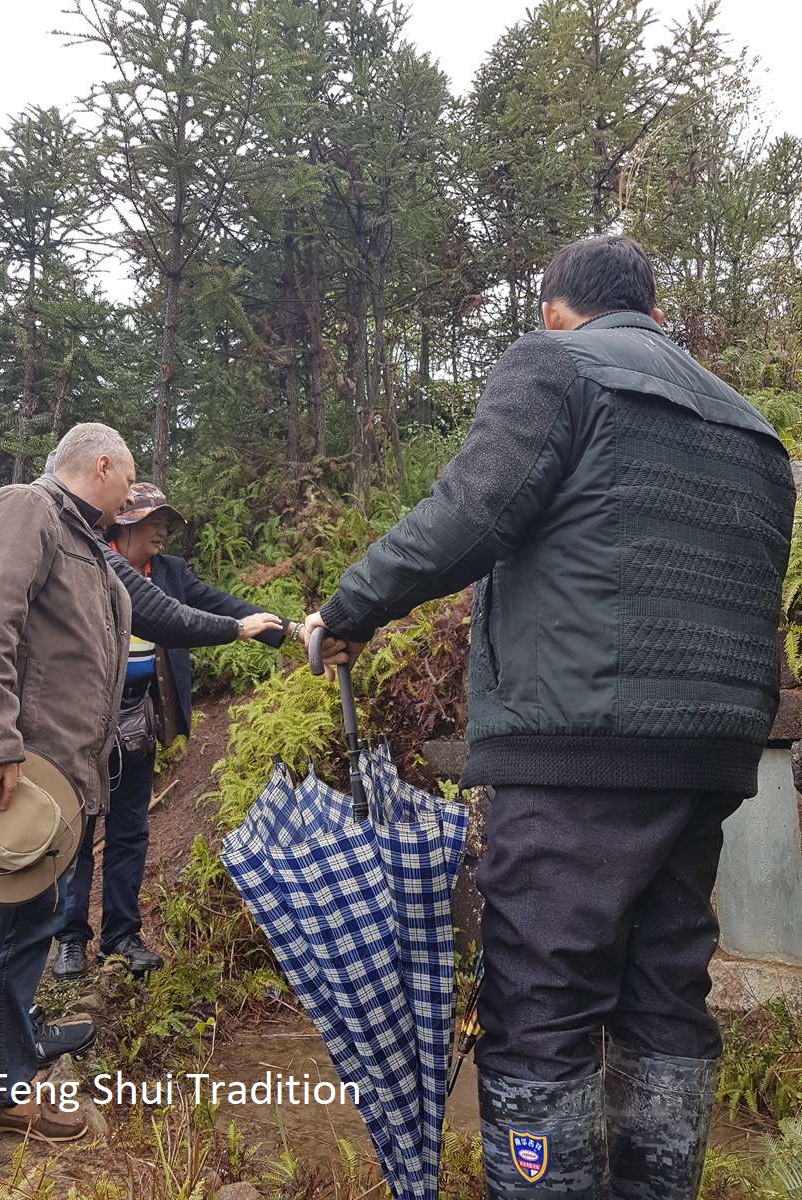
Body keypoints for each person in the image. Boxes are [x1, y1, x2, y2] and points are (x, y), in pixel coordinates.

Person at [304, 237, 796, 1199]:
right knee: (666, 988)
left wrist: (346, 610)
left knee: (541, 997)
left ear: (553, 311)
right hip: (710, 757)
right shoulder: (748, 425)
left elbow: (470, 513)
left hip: (579, 747)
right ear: (654, 311)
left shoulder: (555, 366)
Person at [0, 423, 136, 1179]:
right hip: (1, 779)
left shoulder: (88, 551)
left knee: (24, 930)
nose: (132, 498)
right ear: (101, 465)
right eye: (128, 482)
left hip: (46, 793)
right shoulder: (25, 510)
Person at [53, 483, 298, 978]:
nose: (162, 529)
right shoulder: (89, 565)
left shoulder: (169, 573)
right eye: (152, 521)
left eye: (166, 521)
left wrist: (288, 630)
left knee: (129, 830)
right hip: (83, 724)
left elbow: (224, 606)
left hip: (140, 720)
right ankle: (69, 938)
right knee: (77, 832)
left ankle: (121, 935)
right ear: (122, 524)